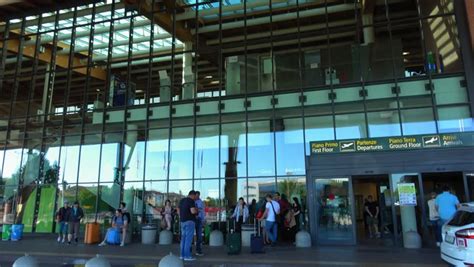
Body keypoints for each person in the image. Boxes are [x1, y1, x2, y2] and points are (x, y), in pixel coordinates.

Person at [179, 190, 198, 261]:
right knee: (188, 240)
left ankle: (182, 255)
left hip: (182, 221)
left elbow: (178, 210)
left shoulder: (182, 200)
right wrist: (197, 210)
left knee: (183, 239)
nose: (195, 198)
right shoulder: (191, 201)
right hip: (190, 221)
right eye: (195, 196)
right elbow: (193, 211)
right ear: (192, 195)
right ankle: (187, 256)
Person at [194, 191, 205, 257]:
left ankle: (198, 250)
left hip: (199, 219)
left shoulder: (201, 202)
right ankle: (188, 250)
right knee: (191, 235)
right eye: (196, 195)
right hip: (193, 219)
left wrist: (203, 219)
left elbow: (202, 211)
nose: (197, 196)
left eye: (198, 195)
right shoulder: (192, 201)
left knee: (199, 236)